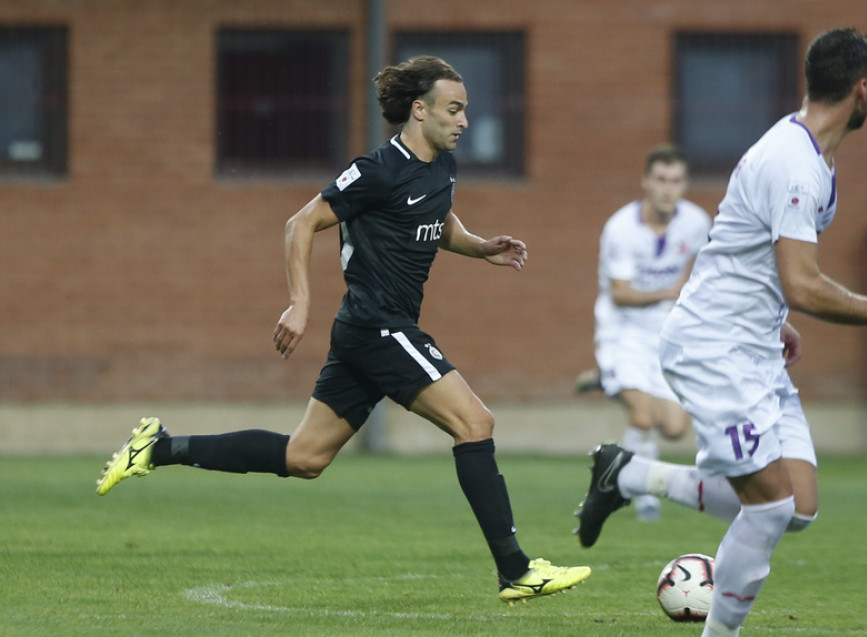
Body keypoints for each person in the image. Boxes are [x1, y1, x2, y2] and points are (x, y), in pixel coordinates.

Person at [96, 55, 590, 604]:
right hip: (379, 326)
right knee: (476, 422)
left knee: (303, 458)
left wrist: (479, 248)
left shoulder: (441, 167)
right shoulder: (377, 169)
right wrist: (299, 303)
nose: (464, 121)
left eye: (466, 111)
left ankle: (160, 448)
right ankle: (517, 570)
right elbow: (300, 221)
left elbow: (435, 218)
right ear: (419, 110)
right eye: (454, 109)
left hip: (366, 332)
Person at [573, 28, 867, 636]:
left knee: (799, 507)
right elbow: (802, 281)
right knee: (767, 510)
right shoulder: (792, 161)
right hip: (715, 347)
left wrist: (779, 320)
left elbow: (757, 261)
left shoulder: (812, 156)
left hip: (754, 344)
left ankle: (630, 474)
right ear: (862, 89)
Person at [589, 144, 711, 521]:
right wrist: (668, 291)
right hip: (623, 332)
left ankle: (607, 385)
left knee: (673, 428)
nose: (667, 189)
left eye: (675, 181)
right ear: (645, 182)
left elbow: (707, 269)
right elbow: (621, 294)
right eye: (660, 180)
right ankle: (641, 496)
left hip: (667, 334)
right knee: (642, 418)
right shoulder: (621, 229)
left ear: (684, 185)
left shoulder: (696, 222)